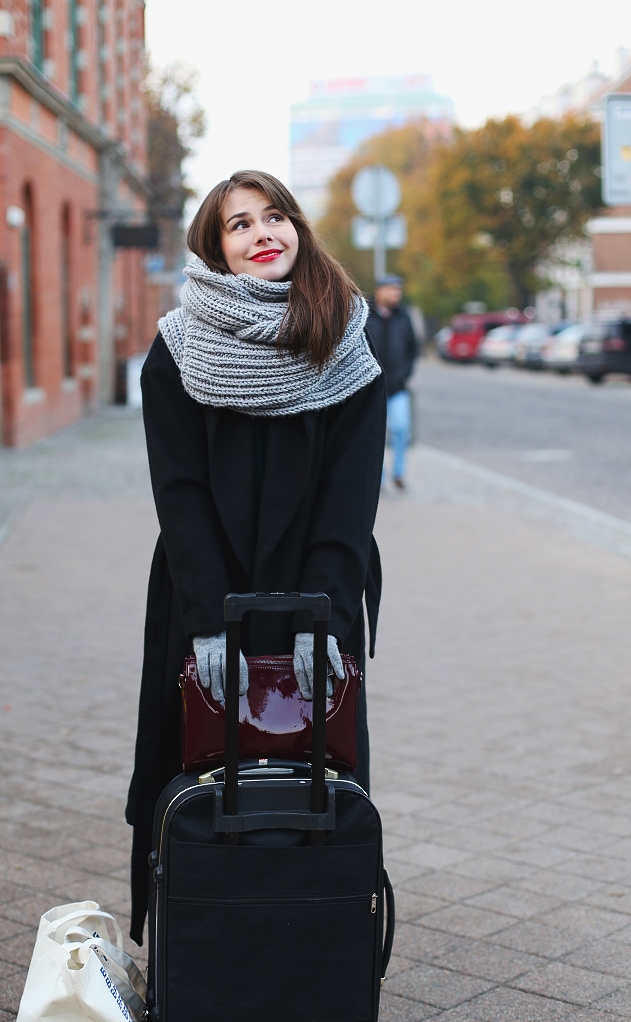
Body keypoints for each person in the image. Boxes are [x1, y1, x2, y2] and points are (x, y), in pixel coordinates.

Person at [125, 169, 386, 943]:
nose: (261, 233)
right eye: (239, 225)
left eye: (275, 217)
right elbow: (180, 496)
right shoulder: (175, 353)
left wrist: (326, 623)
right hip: (203, 596)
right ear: (216, 250)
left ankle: (314, 953)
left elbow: (350, 501)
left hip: (319, 598)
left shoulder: (345, 343)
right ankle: (200, 955)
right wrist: (211, 624)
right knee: (193, 772)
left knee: (320, 780)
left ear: (299, 230)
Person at [367, 274, 418, 490]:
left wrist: (405, 373)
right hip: (371, 388)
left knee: (400, 428)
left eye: (398, 290)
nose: (396, 294)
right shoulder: (366, 315)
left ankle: (399, 472)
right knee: (374, 434)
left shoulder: (403, 317)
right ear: (380, 291)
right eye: (391, 290)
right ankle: (378, 477)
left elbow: (412, 348)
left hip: (397, 387)